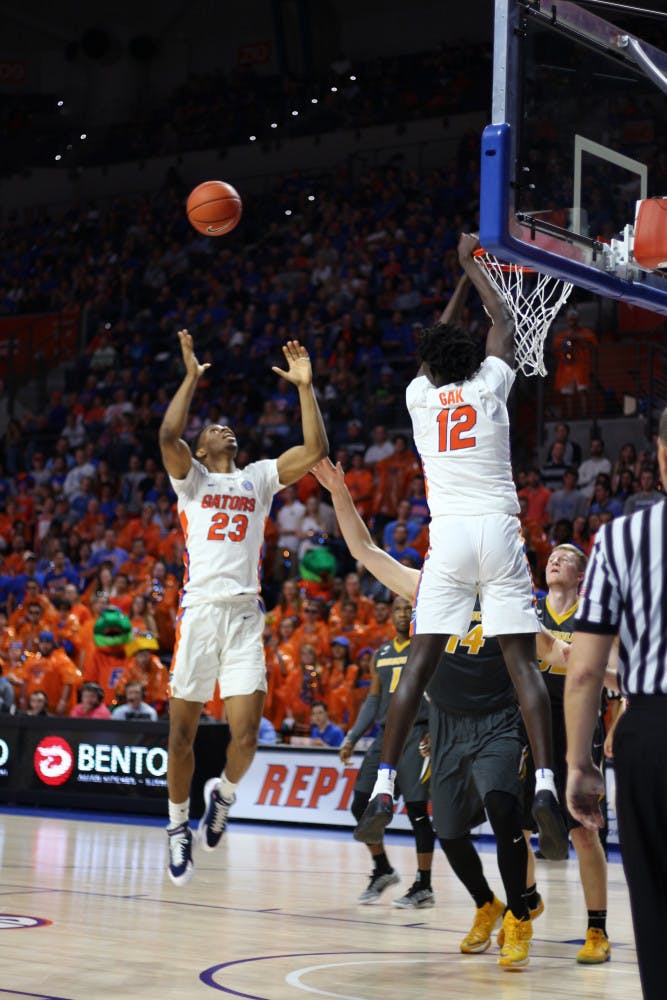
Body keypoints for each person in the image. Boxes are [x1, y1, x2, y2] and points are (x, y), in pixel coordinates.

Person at [352, 233, 567, 864]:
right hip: (497, 531)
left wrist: (452, 280)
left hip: (445, 539)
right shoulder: (490, 385)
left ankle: (384, 788)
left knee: (419, 662)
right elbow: (502, 318)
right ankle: (547, 789)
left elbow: (432, 352)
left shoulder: (421, 401)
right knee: (522, 665)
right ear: (471, 360)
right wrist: (474, 267)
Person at [313, 457, 569, 965]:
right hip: (448, 725)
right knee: (447, 830)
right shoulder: (431, 584)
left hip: (499, 721)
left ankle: (520, 915)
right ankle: (487, 904)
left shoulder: (513, 597)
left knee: (501, 810)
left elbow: (559, 655)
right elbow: (364, 550)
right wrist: (340, 492)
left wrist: (615, 667)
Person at [159, 331, 328, 886]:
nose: (221, 427)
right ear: (201, 450)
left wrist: (305, 389)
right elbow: (166, 434)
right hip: (201, 612)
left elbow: (315, 453)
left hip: (245, 616)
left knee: (247, 736)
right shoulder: (193, 481)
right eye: (211, 429)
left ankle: (224, 797)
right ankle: (177, 825)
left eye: (224, 426)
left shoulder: (256, 477)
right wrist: (190, 378)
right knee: (180, 736)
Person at [565, 406, 667, 1000]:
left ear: (657, 454)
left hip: (653, 730)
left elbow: (583, 672)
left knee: (655, 904)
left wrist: (580, 766)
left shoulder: (623, 537)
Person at [529, 544, 611, 963]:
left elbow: (618, 679)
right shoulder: (528, 609)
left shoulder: (594, 616)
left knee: (585, 831)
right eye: (550, 558)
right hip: (532, 725)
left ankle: (597, 930)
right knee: (516, 825)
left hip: (579, 730)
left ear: (582, 574)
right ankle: (520, 914)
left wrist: (612, 728)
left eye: (565, 557)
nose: (554, 560)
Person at [338, 594, 435, 910]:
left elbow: (439, 695)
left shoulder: (428, 650)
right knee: (359, 806)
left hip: (417, 733)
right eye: (398, 609)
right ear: (390, 616)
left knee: (418, 811)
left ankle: (424, 884)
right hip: (383, 737)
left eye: (409, 608)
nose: (403, 613)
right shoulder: (379, 654)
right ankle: (382, 868)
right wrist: (352, 737)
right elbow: (372, 702)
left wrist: (435, 731)